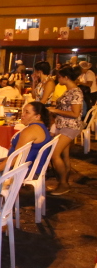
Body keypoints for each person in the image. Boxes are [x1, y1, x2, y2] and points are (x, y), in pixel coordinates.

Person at [47, 66, 84, 195]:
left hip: (70, 126)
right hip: (62, 125)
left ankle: (63, 183)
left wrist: (55, 110)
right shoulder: (69, 91)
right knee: (64, 155)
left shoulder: (75, 92)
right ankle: (63, 183)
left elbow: (75, 113)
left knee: (54, 154)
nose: (58, 79)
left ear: (66, 77)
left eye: (59, 77)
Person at [0, 101, 51, 175]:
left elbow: (16, 158)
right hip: (27, 167)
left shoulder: (32, 130)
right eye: (23, 111)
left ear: (37, 116)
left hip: (23, 171)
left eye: (27, 112)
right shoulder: (41, 127)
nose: (23, 115)